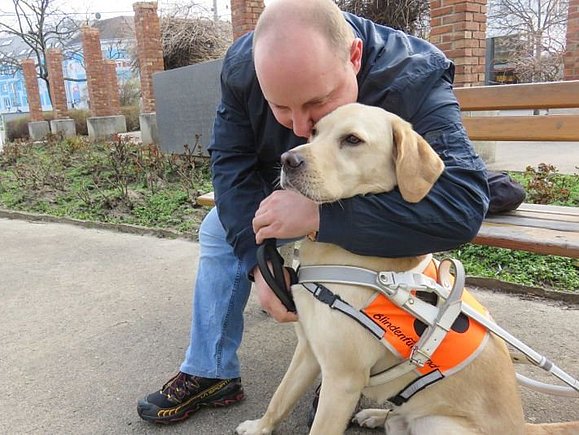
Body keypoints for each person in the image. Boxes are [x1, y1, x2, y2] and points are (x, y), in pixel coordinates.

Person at [137, 0, 490, 424]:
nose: (300, 128)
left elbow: (462, 205)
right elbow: (231, 162)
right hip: (298, 181)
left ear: (354, 57)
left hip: (376, 204)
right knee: (217, 228)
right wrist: (258, 261)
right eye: (281, 108)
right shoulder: (243, 67)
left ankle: (350, 358)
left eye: (317, 102)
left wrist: (319, 218)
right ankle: (212, 369)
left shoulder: (412, 73)